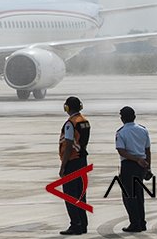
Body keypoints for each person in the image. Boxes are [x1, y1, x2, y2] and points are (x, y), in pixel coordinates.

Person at [58, 96, 91, 235]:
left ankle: (75, 225)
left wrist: (63, 165)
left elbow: (69, 144)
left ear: (67, 108)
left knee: (71, 195)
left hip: (72, 161)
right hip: (82, 161)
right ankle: (83, 224)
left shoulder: (70, 123)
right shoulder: (85, 121)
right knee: (81, 195)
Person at [115, 105, 151, 233]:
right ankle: (141, 222)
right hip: (141, 165)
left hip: (129, 165)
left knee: (129, 197)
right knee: (139, 195)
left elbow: (121, 151)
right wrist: (148, 166)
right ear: (134, 117)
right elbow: (147, 150)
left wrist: (136, 160)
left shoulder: (121, 132)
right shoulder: (143, 130)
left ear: (122, 118)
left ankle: (134, 223)